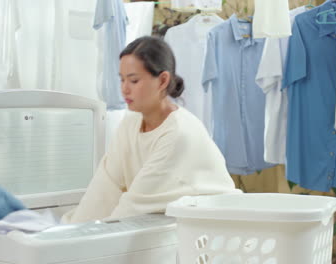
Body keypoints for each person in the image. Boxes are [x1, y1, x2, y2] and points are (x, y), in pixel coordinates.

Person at [62, 36, 236, 223]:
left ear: (162, 81)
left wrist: (85, 242)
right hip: (169, 225)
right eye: (121, 80)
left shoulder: (178, 133)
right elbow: (105, 185)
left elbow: (133, 206)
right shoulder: (131, 123)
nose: (124, 89)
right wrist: (73, 230)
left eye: (134, 81)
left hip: (215, 227)